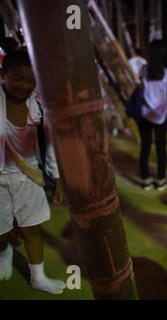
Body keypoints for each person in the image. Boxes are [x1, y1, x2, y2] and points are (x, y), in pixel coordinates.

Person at [0, 50, 65, 294]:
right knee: (1, 231)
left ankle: (39, 277)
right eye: (17, 78)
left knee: (33, 228)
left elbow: (50, 144)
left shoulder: (38, 105)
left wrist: (57, 178)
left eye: (30, 81)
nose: (24, 85)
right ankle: (4, 252)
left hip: (27, 176)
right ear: (3, 75)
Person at [137, 40, 167, 191]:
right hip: (161, 116)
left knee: (144, 147)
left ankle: (145, 179)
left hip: (144, 114)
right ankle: (161, 179)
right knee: (160, 148)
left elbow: (140, 87)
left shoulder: (143, 70)